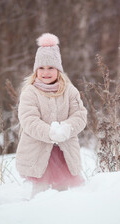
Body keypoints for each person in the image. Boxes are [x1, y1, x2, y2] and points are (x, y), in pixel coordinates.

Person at [16, 33, 87, 197]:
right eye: (41, 68)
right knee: (40, 194)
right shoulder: (30, 93)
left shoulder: (69, 91)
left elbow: (80, 115)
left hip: (64, 155)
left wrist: (67, 128)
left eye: (50, 68)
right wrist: (50, 132)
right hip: (38, 153)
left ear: (58, 70)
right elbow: (29, 120)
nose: (45, 72)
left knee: (62, 196)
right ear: (35, 70)